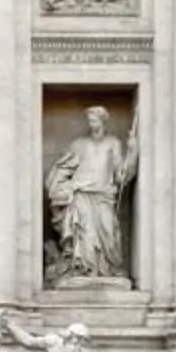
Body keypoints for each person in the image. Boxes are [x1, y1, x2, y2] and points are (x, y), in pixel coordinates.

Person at [45, 106, 138, 282]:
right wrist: (60, 187)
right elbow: (62, 169)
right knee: (84, 233)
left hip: (104, 195)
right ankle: (84, 271)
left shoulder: (113, 144)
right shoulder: (79, 144)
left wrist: (132, 152)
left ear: (103, 121)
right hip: (81, 194)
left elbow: (121, 175)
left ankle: (108, 269)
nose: (91, 123)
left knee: (108, 231)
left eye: (95, 120)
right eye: (89, 120)